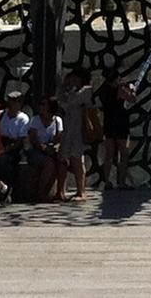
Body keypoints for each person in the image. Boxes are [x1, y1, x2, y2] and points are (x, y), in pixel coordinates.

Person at [57, 67, 94, 202]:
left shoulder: (86, 91)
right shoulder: (72, 92)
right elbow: (61, 100)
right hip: (68, 129)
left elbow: (74, 102)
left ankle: (81, 191)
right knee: (63, 158)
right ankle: (60, 190)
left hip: (78, 129)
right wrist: (64, 86)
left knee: (77, 160)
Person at [98, 67, 134, 190]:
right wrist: (131, 89)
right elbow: (131, 99)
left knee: (109, 154)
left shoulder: (103, 90)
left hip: (108, 122)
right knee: (123, 153)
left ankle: (107, 180)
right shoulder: (119, 90)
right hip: (120, 122)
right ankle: (121, 181)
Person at [27, 95, 65, 203]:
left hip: (52, 150)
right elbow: (33, 139)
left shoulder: (58, 121)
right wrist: (43, 148)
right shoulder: (35, 120)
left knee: (63, 162)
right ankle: (41, 192)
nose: (41, 107)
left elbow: (59, 139)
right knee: (49, 164)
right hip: (37, 151)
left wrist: (55, 147)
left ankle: (60, 192)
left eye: (44, 104)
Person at [0, 90, 30, 191]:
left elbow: (20, 141)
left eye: (15, 101)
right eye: (10, 101)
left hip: (14, 147)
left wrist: (4, 150)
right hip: (0, 143)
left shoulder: (23, 119)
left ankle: (8, 189)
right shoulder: (1, 115)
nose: (11, 103)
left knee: (5, 160)